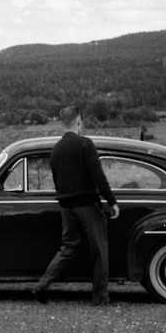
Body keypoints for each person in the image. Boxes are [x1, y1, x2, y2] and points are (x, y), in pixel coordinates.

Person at [33, 106, 119, 306]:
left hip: (66, 206)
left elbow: (56, 179)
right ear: (78, 120)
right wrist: (112, 201)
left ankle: (42, 286)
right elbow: (98, 176)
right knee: (99, 250)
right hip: (87, 204)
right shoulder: (85, 144)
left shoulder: (56, 149)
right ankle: (100, 297)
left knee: (69, 248)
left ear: (62, 122)